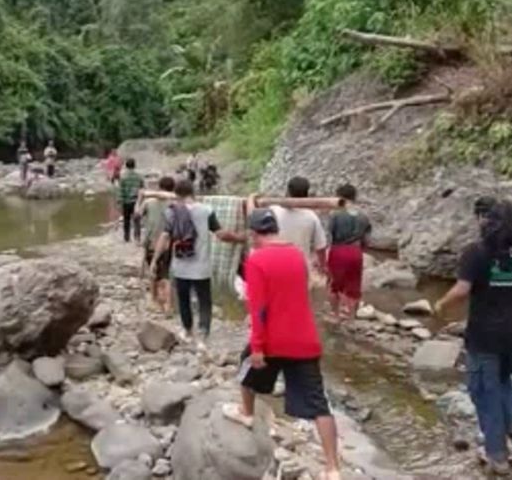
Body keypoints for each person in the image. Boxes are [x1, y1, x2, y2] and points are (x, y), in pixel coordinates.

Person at [222, 208, 341, 480]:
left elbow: (259, 308)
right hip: (304, 338)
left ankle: (246, 413)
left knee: (244, 372)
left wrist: (258, 346)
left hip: (273, 339)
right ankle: (333, 468)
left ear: (253, 234)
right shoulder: (297, 256)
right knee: (319, 405)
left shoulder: (257, 260)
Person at [434, 199, 512, 476]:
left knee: (483, 392)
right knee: (502, 379)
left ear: (485, 221)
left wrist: (440, 305)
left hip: (484, 335)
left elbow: (462, 290)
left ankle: (497, 455)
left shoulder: (476, 252)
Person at [150, 179, 244, 349]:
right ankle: (203, 335)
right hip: (202, 267)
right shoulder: (206, 210)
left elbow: (164, 238)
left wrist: (155, 260)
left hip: (180, 266)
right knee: (204, 301)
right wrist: (240, 238)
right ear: (192, 192)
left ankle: (187, 331)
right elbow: (221, 234)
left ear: (176, 195)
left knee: (184, 299)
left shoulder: (172, 212)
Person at [327, 184, 372, 318]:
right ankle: (352, 317)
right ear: (354, 197)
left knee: (333, 286)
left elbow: (329, 235)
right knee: (354, 287)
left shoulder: (335, 214)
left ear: (339, 197)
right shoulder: (364, 216)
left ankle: (335, 315)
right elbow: (367, 241)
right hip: (355, 252)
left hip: (338, 251)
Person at [270, 176, 328, 280]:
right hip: (300, 267)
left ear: (287, 192)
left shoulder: (273, 211)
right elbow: (321, 247)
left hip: (274, 265)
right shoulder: (311, 217)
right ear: (306, 195)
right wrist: (323, 266)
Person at [138, 176, 176, 313]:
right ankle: (168, 305)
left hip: (152, 242)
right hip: (169, 243)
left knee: (153, 271)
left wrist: (139, 199)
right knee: (167, 273)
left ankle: (154, 299)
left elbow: (137, 214)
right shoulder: (174, 203)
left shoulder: (149, 202)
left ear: (160, 187)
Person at [118, 158, 144, 243]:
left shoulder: (123, 177)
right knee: (137, 220)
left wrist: (119, 202)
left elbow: (120, 191)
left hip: (126, 202)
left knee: (126, 220)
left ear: (126, 166)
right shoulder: (139, 177)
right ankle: (137, 237)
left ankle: (127, 237)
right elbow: (142, 189)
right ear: (134, 165)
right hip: (136, 201)